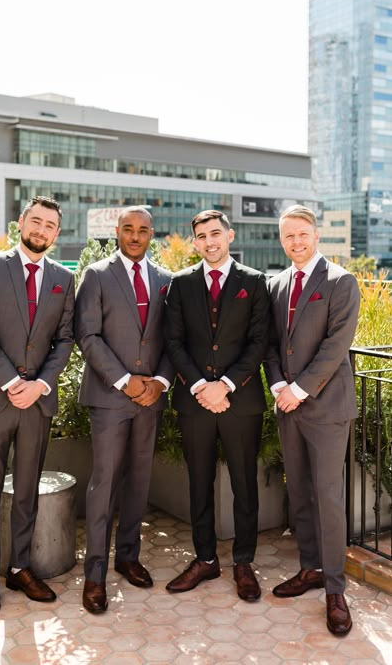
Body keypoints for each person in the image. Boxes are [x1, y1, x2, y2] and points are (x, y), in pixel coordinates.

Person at [0, 196, 75, 617]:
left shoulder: (63, 277)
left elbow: (65, 339)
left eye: (50, 226)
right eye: (36, 221)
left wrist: (40, 384)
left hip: (36, 401)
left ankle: (20, 567)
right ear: (21, 222)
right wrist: (11, 382)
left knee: (27, 486)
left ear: (57, 234)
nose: (41, 230)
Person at [264, 204, 360, 637]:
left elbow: (336, 345)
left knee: (327, 495)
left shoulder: (341, 281)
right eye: (288, 236)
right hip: (288, 407)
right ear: (281, 240)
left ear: (316, 235)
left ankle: (336, 590)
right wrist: (276, 388)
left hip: (324, 408)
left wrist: (299, 390)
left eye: (302, 234)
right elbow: (268, 343)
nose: (296, 242)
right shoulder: (276, 283)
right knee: (299, 491)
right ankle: (310, 569)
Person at [164, 209, 269, 601]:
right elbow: (172, 342)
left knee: (245, 484)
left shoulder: (255, 282)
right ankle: (205, 559)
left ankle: (244, 562)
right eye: (202, 236)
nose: (209, 241)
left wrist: (224, 386)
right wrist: (199, 387)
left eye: (215, 233)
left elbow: (259, 342)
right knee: (198, 483)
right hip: (194, 403)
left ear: (229, 235)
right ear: (195, 243)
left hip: (241, 402)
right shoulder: (180, 284)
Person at [75, 206, 173, 614]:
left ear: (153, 234)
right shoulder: (96, 275)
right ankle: (95, 573)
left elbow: (174, 338)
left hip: (150, 397)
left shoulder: (167, 280)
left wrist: (160, 382)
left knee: (139, 479)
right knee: (105, 483)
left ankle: (128, 557)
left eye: (143, 230)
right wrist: (124, 380)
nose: (135, 236)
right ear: (117, 231)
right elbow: (88, 335)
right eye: (128, 229)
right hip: (110, 396)